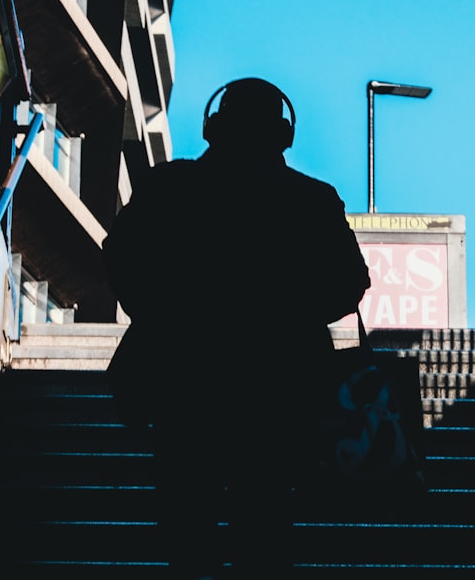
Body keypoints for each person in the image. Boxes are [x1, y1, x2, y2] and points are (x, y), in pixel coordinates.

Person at [102, 77, 371, 579]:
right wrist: (292, 314)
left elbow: (119, 258)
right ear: (283, 134)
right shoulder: (312, 199)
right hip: (279, 388)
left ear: (213, 127)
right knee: (264, 522)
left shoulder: (168, 186)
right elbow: (351, 283)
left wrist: (160, 313)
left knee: (187, 523)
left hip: (183, 382)